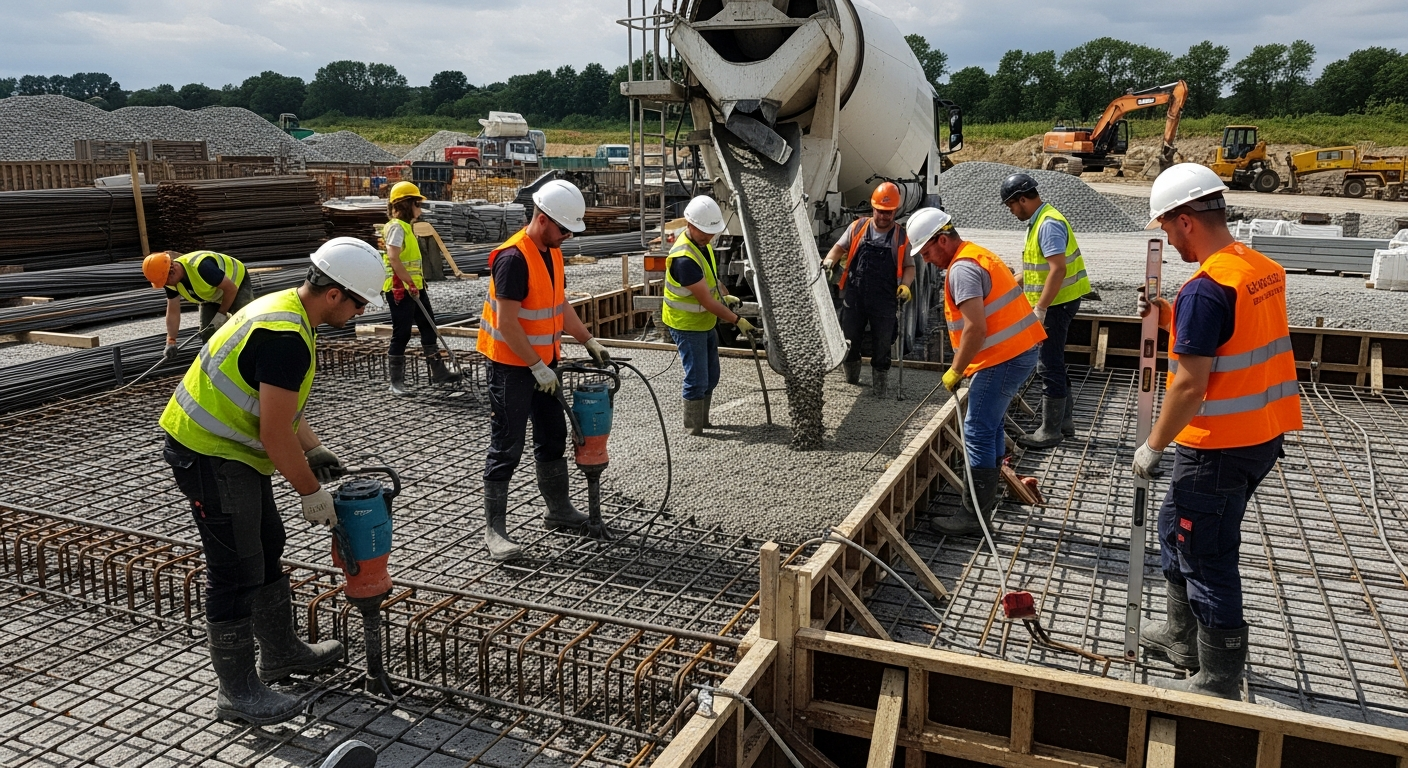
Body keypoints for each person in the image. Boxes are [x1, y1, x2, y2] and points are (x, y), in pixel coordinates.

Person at [159, 237, 388, 725]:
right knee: (236, 569)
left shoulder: (284, 309)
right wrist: (311, 492)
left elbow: (275, 407)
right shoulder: (285, 338)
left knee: (266, 542)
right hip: (207, 453)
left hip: (232, 453)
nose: (359, 312)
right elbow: (271, 430)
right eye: (359, 302)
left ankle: (280, 652)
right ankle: (237, 692)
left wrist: (314, 447)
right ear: (334, 294)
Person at [1133, 163, 1301, 700]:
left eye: (1165, 227)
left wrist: (1153, 445)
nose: (1166, 238)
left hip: (1220, 446)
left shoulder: (1206, 289)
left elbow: (1188, 386)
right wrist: (1168, 311)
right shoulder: (1257, 267)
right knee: (1172, 527)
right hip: (1262, 434)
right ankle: (1181, 638)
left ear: (1185, 221)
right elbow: (1233, 339)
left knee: (1205, 553)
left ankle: (1220, 677)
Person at [476, 179, 613, 561]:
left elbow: (559, 304)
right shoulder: (512, 258)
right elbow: (507, 322)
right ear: (542, 219)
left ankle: (557, 509)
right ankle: (495, 531)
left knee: (552, 436)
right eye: (564, 229)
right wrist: (536, 366)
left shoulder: (551, 252)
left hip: (543, 364)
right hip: (511, 368)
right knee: (507, 446)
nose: (567, 236)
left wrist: (588, 340)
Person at [907, 207, 1046, 535]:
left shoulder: (962, 270)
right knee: (990, 424)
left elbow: (975, 329)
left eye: (927, 251)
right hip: (1016, 352)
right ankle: (984, 503)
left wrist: (956, 370)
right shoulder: (976, 255)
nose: (927, 259)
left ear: (942, 240)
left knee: (978, 429)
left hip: (1003, 358)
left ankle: (975, 517)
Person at [1000, 173, 1092, 449]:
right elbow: (1034, 272)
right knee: (1054, 360)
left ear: (1023, 199)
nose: (1011, 211)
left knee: (1047, 364)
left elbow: (1057, 269)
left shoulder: (1048, 224)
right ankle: (1064, 422)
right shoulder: (1040, 220)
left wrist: (1040, 308)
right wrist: (1006, 290)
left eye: (1011, 205)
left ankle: (1050, 430)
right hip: (1058, 301)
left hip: (1056, 304)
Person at [662, 195, 755, 435]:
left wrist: (726, 294)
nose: (708, 236)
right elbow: (705, 300)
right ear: (690, 225)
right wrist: (738, 320)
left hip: (703, 323)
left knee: (712, 377)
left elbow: (711, 280)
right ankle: (694, 428)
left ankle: (703, 421)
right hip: (686, 324)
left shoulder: (702, 246)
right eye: (704, 232)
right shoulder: (684, 259)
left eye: (711, 232)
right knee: (697, 379)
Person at [821, 182, 915, 397]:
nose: (884, 216)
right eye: (880, 211)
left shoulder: (901, 237)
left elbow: (910, 267)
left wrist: (905, 286)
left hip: (885, 298)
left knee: (882, 342)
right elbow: (838, 249)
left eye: (889, 212)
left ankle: (880, 388)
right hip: (856, 294)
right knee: (850, 338)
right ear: (873, 208)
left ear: (895, 211)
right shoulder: (857, 228)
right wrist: (828, 262)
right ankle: (851, 380)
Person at [381, 181, 462, 396]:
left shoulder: (407, 228)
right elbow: (393, 258)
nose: (420, 209)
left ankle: (438, 372)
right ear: (407, 204)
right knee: (402, 333)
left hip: (415, 288)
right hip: (400, 289)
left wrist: (415, 285)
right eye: (417, 203)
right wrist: (408, 283)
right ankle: (396, 382)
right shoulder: (397, 228)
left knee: (429, 328)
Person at [143, 250, 254, 353]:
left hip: (236, 282)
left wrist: (221, 314)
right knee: (208, 333)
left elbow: (231, 289)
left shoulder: (202, 267)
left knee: (246, 324)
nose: (165, 285)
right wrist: (171, 341)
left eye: (165, 281)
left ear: (172, 270)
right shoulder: (169, 282)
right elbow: (173, 310)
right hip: (211, 294)